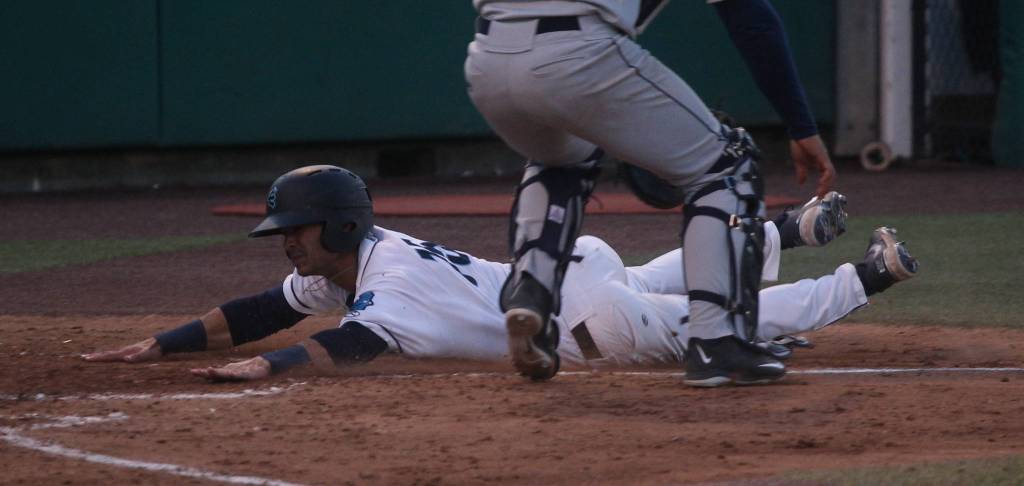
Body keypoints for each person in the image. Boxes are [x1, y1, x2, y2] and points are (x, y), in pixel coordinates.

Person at [83, 166, 919, 385]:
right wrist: (156, 344)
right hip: (573, 276)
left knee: (717, 320)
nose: (283, 244)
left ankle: (866, 277)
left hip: (587, 327)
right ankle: (786, 229)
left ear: (333, 225)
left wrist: (269, 366)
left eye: (292, 229)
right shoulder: (359, 258)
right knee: (671, 274)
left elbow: (353, 345)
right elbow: (266, 308)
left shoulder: (387, 285)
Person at [464, 0, 837, 385]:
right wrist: (800, 124)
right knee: (728, 165)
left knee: (564, 156)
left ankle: (531, 290)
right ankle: (717, 341)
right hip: (578, 51)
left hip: (487, 58)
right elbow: (751, 20)